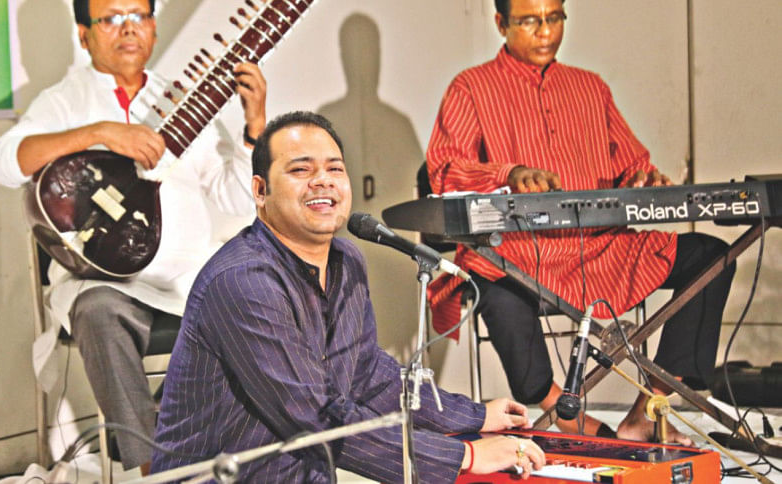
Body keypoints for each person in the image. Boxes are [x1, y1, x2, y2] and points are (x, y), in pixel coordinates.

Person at [151, 111, 546, 482]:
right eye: (301, 170)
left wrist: (473, 417)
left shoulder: (346, 260)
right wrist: (465, 456)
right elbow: (314, 419)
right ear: (260, 190)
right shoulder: (243, 281)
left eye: (335, 169)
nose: (323, 181)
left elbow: (368, 375)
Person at [426, 0, 735, 445]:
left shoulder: (591, 87)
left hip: (601, 248)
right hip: (518, 254)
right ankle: (570, 417)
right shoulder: (470, 88)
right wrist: (509, 174)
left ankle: (647, 410)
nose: (545, 31)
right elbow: (444, 170)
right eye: (530, 21)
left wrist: (643, 178)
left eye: (554, 18)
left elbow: (632, 163)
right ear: (501, 23)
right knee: (491, 284)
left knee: (712, 257)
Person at [0, 0, 268, 472]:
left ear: (153, 28)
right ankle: (154, 470)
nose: (128, 29)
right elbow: (4, 163)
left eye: (138, 16)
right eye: (111, 19)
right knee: (98, 312)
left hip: (187, 282)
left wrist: (255, 127)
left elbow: (237, 199)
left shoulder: (181, 99)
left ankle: (231, 451)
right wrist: (98, 133)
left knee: (265, 293)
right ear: (84, 35)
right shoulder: (66, 101)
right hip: (109, 285)